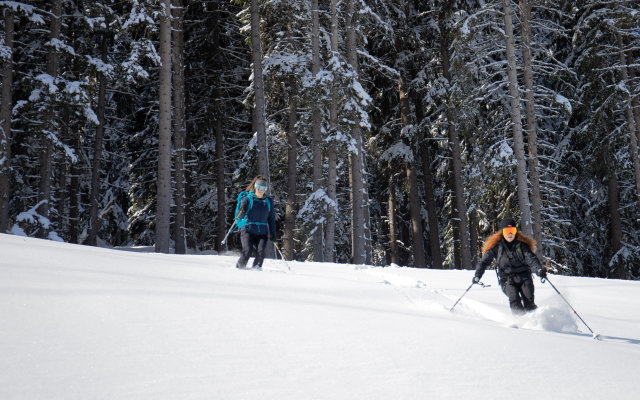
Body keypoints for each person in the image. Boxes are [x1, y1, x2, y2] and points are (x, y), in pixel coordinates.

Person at [473, 217, 547, 314]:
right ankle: (519, 322)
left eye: (512, 230)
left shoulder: (522, 245)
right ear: (502, 232)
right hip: (507, 279)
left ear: (516, 231)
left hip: (524, 277)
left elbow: (531, 258)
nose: (510, 234)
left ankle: (536, 322)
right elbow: (483, 262)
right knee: (514, 298)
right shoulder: (496, 247)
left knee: (529, 301)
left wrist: (539, 270)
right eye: (507, 231)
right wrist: (477, 275)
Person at [234, 175, 276, 270]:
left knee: (261, 252)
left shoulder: (268, 201)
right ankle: (239, 268)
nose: (261, 190)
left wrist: (273, 232)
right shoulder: (248, 199)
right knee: (247, 250)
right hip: (248, 229)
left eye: (264, 188)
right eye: (259, 187)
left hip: (262, 231)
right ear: (255, 187)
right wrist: (242, 208)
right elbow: (239, 216)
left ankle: (256, 270)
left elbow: (271, 218)